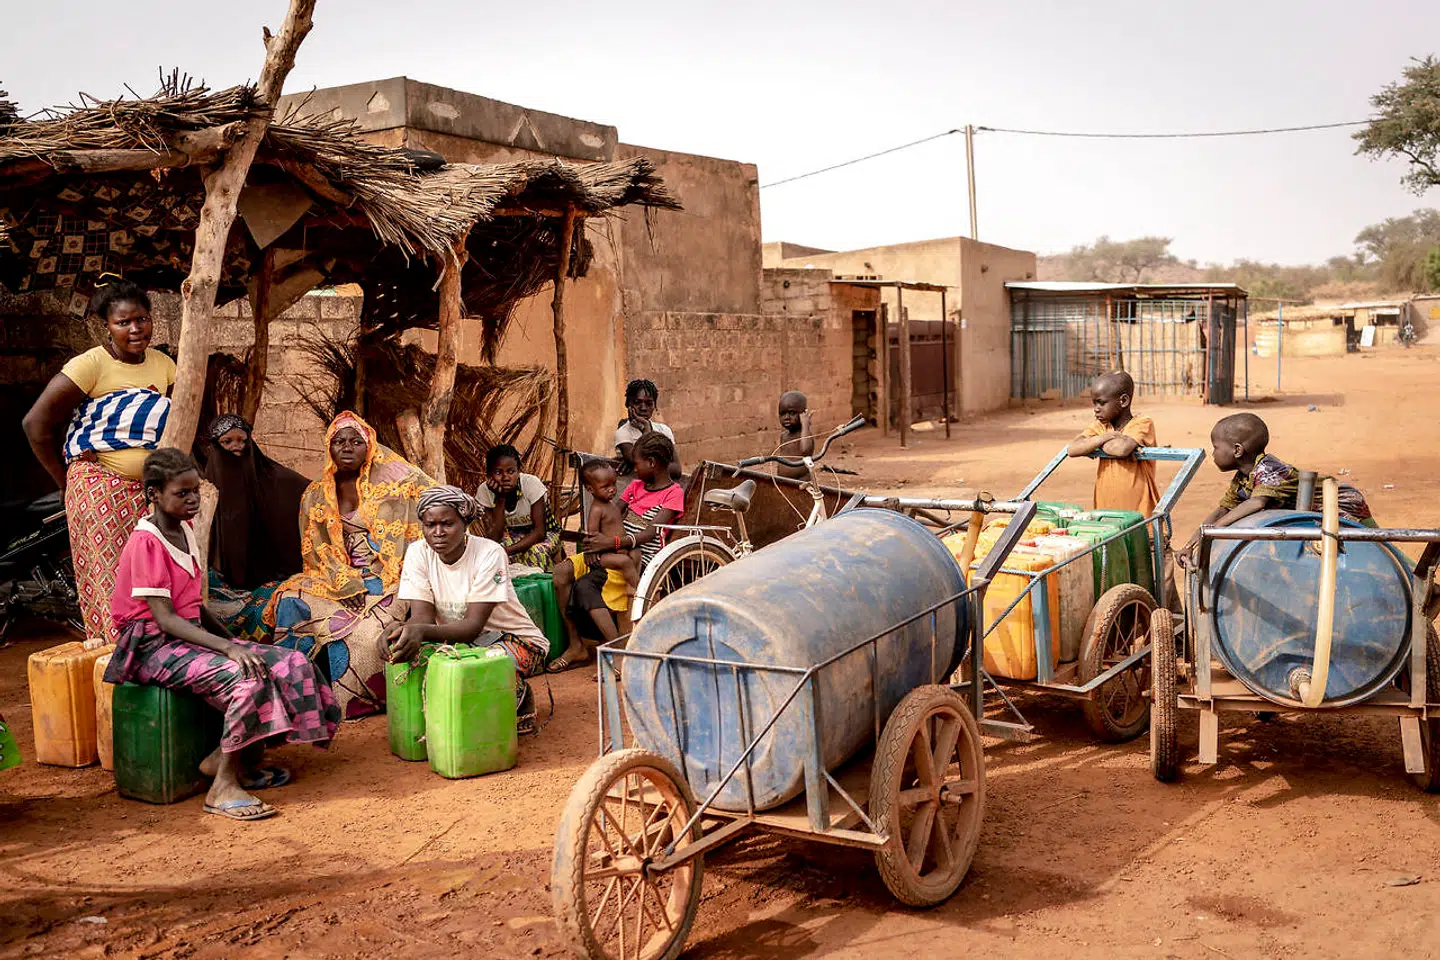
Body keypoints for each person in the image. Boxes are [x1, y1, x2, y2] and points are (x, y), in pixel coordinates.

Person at [105, 449, 339, 822]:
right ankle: (224, 787)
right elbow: (165, 620)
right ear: (153, 494)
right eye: (182, 493)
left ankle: (234, 759)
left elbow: (194, 609)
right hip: (152, 647)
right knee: (247, 677)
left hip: (186, 637)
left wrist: (240, 642)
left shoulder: (182, 529)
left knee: (290, 661)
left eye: (195, 490)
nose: (193, 499)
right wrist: (229, 648)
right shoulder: (146, 542)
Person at [23, 278, 176, 650]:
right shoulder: (90, 365)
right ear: (106, 326)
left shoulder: (165, 366)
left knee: (152, 581)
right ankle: (116, 668)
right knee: (112, 584)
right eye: (123, 322)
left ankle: (155, 663)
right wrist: (66, 481)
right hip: (98, 488)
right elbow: (35, 424)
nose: (135, 329)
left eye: (141, 319)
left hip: (148, 494)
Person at [264, 412, 434, 719]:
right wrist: (343, 580)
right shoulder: (315, 494)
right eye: (339, 441)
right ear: (329, 447)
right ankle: (291, 694)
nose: (347, 447)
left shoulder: (394, 484)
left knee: (367, 630)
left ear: (369, 446)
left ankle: (359, 701)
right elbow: (316, 549)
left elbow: (433, 498)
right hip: (335, 577)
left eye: (356, 441)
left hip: (389, 574)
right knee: (290, 602)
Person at [383, 486, 551, 732]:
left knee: (485, 666)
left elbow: (473, 626)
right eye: (430, 525)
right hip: (458, 640)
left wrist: (418, 631)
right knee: (410, 654)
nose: (438, 533)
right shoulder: (418, 553)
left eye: (447, 524)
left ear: (465, 524)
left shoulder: (489, 553)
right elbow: (422, 617)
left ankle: (519, 694)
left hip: (516, 641)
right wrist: (397, 632)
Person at [552, 432, 685, 671]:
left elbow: (650, 534)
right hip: (610, 548)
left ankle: (618, 648)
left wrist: (609, 543)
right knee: (561, 572)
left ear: (652, 463)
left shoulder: (673, 494)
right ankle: (576, 645)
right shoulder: (635, 486)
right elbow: (612, 511)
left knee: (584, 585)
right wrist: (592, 539)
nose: (634, 469)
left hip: (635, 556)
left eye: (637, 463)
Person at [1182, 412, 1377, 559]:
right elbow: (1224, 509)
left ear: (1237, 450)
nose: (1213, 453)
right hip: (1312, 512)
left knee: (1376, 547)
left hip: (1341, 503)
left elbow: (1256, 503)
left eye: (1216, 447)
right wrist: (1193, 541)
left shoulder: (1269, 468)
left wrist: (1214, 531)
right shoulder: (1243, 478)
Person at [197, 414, 311, 643]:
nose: (237, 447)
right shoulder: (207, 485)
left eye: (242, 440)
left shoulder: (274, 478)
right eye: (227, 442)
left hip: (274, 574)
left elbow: (310, 492)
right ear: (215, 445)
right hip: (228, 578)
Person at [1066, 371, 1159, 516]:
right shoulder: (1101, 427)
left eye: (1101, 403)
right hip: (1106, 514)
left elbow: (1121, 449)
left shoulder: (1142, 423)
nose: (1096, 409)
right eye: (1094, 403)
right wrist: (1104, 438)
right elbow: (1072, 449)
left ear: (1123, 401)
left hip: (1139, 515)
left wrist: (1093, 444)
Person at [474, 444, 561, 571]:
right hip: (511, 534)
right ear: (489, 475)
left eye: (511, 471)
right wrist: (500, 499)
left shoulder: (531, 484)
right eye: (498, 472)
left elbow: (540, 533)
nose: (506, 478)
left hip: (547, 533)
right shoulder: (484, 491)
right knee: (491, 552)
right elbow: (494, 537)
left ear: (518, 471)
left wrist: (507, 550)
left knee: (536, 552)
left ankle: (543, 587)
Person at [579, 459, 642, 595]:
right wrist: (591, 553)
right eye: (605, 486)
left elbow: (615, 524)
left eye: (613, 484)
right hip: (604, 555)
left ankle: (631, 585)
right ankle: (640, 590)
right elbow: (592, 535)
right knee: (626, 562)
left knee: (636, 553)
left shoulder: (611, 505)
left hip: (617, 548)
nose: (612, 489)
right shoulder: (597, 509)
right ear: (590, 489)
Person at [613, 379, 681, 480]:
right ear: (628, 404)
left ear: (654, 406)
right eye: (637, 402)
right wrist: (646, 430)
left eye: (649, 404)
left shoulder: (664, 430)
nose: (643, 408)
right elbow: (640, 462)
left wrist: (649, 465)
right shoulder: (623, 433)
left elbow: (676, 470)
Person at [775, 391, 815, 481]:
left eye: (792, 413)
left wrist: (805, 425)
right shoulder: (784, 436)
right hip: (784, 482)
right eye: (782, 413)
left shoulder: (805, 435)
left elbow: (806, 451)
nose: (786, 417)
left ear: (803, 414)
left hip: (801, 482)